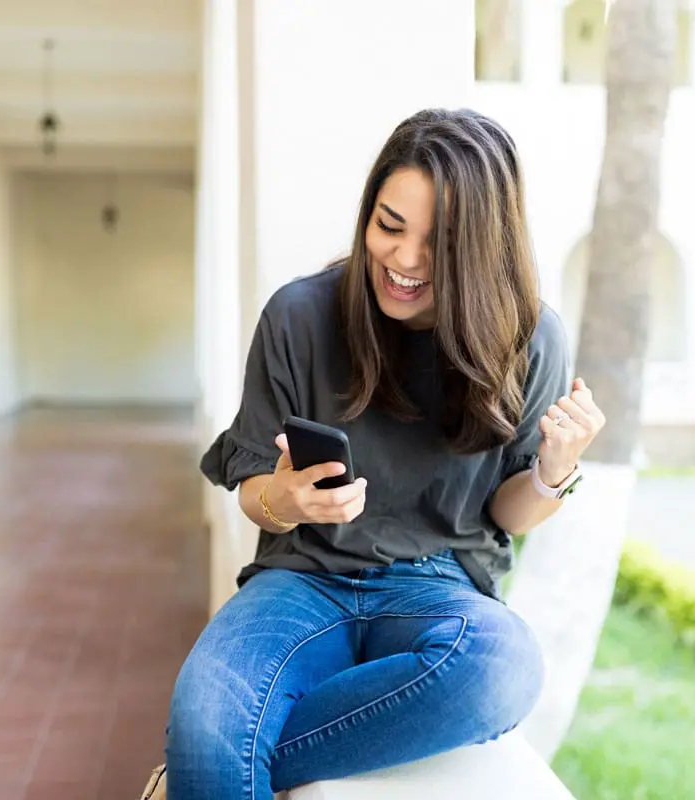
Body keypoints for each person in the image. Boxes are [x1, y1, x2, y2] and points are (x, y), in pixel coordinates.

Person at [146, 108, 606, 800]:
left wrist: (554, 470)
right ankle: (203, 757)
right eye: (390, 226)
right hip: (302, 577)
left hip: (439, 588)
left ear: (485, 245)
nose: (405, 260)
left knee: (503, 666)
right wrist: (285, 497)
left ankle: (199, 768)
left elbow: (508, 514)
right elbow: (250, 491)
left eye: (440, 243)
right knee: (206, 705)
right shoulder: (299, 316)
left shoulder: (530, 337)